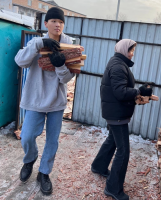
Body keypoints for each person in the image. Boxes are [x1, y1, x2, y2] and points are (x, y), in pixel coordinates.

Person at [15, 7, 75, 195]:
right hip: (35, 98)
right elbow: (20, 61)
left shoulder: (69, 45)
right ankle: (30, 159)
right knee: (27, 135)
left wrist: (60, 66)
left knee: (52, 140)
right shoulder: (36, 42)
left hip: (56, 101)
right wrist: (39, 44)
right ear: (46, 23)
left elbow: (67, 78)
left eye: (61, 21)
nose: (58, 24)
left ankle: (44, 173)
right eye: (54, 21)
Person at [91, 39, 152, 200]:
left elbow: (120, 90)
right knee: (123, 151)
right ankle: (113, 188)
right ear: (123, 50)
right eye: (130, 50)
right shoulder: (118, 66)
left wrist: (139, 94)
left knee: (112, 140)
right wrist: (139, 91)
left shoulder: (118, 62)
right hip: (117, 114)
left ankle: (98, 166)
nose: (132, 54)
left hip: (114, 111)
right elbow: (120, 92)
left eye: (133, 51)